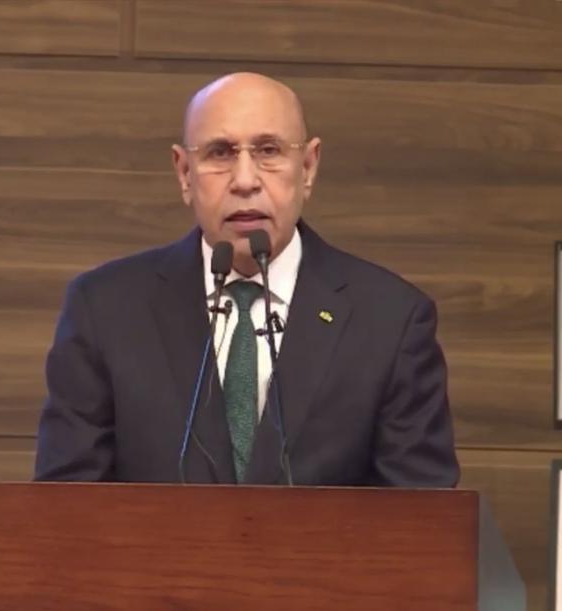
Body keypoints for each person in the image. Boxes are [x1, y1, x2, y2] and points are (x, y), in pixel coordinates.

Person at [34, 72, 459, 487]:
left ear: (308, 166)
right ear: (185, 173)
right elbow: (65, 506)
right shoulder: (105, 310)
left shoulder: (391, 320)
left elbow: (423, 514)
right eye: (219, 153)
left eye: (268, 150)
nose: (244, 181)